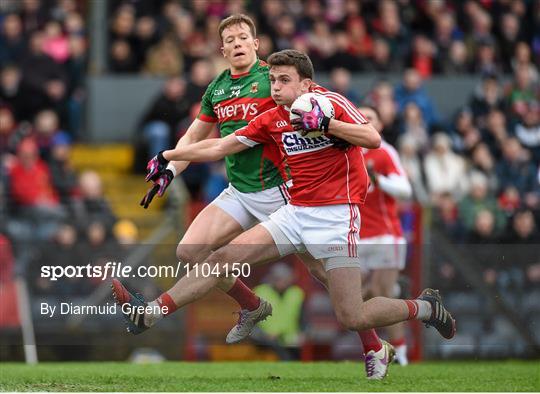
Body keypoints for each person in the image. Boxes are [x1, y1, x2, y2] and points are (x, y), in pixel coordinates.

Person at [114, 49, 456, 379]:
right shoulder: (273, 118)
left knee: (353, 315)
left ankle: (425, 307)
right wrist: (168, 155)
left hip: (336, 219)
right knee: (220, 259)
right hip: (295, 213)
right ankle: (149, 313)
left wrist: (328, 124)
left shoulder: (332, 102)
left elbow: (372, 137)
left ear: (306, 84)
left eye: (283, 80)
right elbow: (219, 145)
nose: (274, 87)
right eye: (273, 80)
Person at [357, 106, 413, 365]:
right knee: (355, 295)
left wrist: (379, 180)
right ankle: (378, 350)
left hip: (385, 235)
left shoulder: (384, 152)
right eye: (360, 117)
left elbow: (404, 189)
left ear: (379, 124)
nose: (364, 121)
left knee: (382, 292)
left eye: (370, 117)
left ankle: (400, 353)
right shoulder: (347, 150)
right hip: (356, 236)